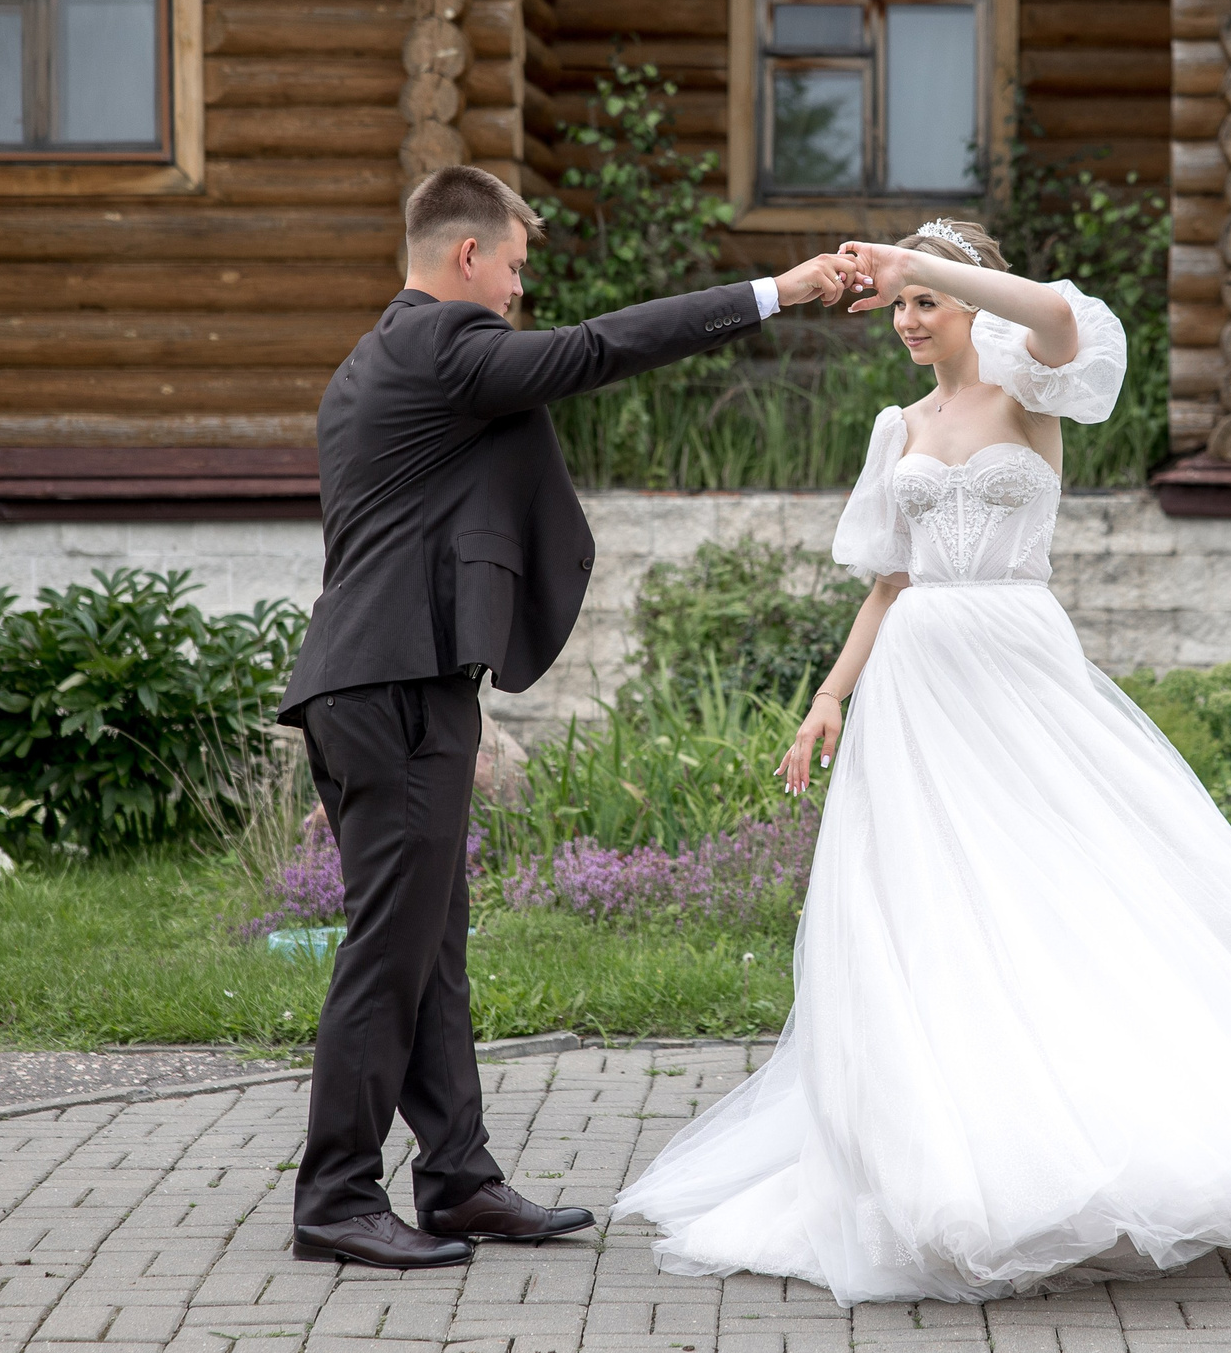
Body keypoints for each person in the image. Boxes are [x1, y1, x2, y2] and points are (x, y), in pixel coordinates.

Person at [611, 219, 1231, 1304]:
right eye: (899, 306)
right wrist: (828, 697)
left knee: (1072, 884)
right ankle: (946, 1156)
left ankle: (1117, 1125)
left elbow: (1064, 314)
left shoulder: (1037, 387)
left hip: (1019, 661)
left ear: (970, 293)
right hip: (919, 685)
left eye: (926, 301)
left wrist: (919, 262)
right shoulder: (902, 426)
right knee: (928, 906)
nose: (908, 319)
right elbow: (889, 579)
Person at [277, 165, 858, 1271]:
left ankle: (456, 1179)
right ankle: (336, 1196)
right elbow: (594, 351)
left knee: (429, 943)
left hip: (392, 679)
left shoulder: (380, 359)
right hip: (390, 685)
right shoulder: (439, 346)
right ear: (466, 258)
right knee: (388, 951)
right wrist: (774, 291)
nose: (516, 295)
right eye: (513, 270)